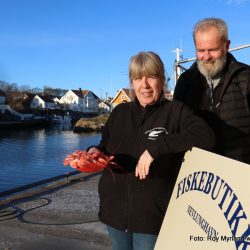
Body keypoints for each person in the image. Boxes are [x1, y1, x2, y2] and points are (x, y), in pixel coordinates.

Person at [89, 51, 215, 250]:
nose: (144, 85)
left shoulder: (175, 111)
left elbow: (205, 136)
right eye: (138, 78)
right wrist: (94, 152)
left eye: (151, 77)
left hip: (152, 215)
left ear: (162, 80)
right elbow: (104, 145)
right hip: (114, 209)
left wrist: (158, 147)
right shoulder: (120, 112)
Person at [174, 17, 250, 164]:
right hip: (201, 175)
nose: (206, 57)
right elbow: (176, 129)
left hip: (241, 172)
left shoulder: (246, 77)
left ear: (226, 46)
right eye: (200, 50)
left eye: (213, 50)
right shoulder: (185, 83)